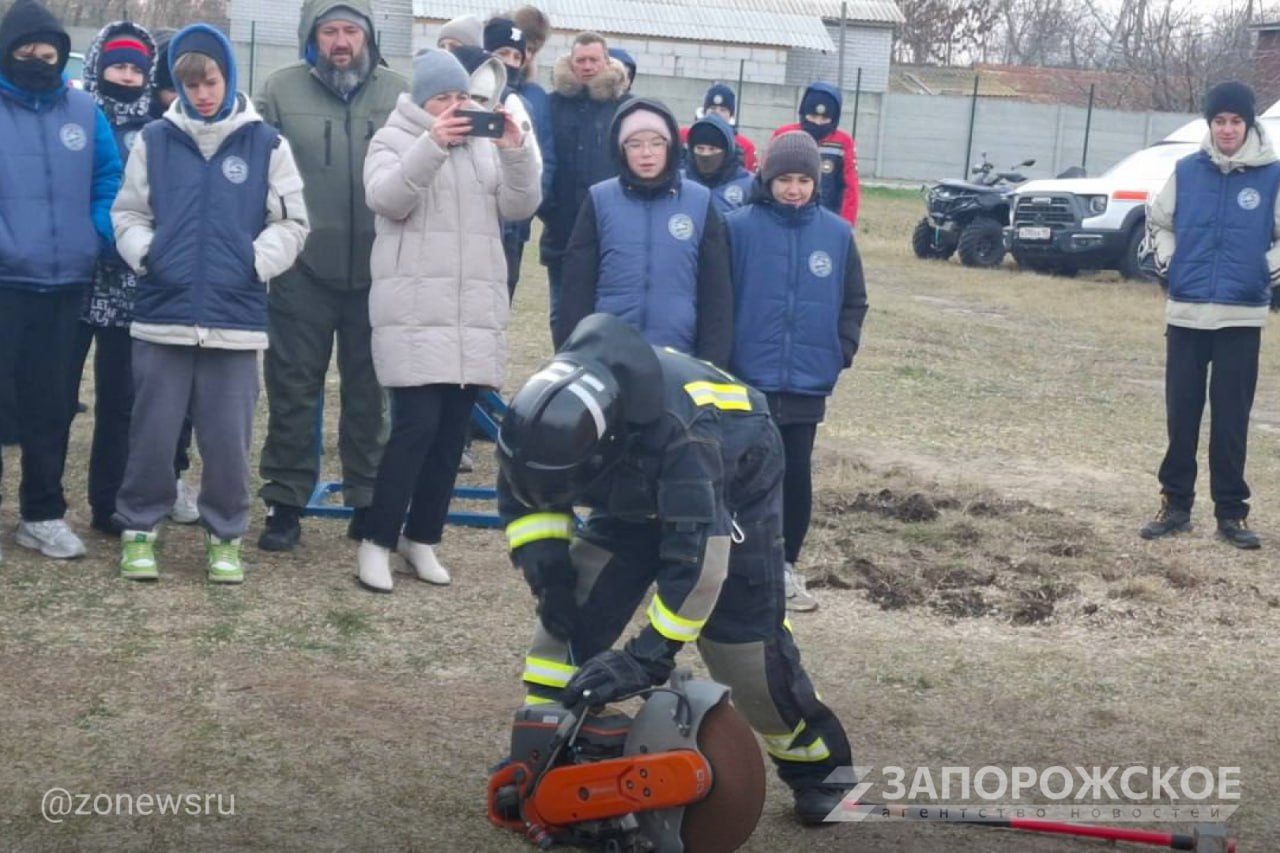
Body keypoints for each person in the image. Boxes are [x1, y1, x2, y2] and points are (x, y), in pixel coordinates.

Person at [496, 312, 856, 826]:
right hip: (636, 485)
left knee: (742, 651)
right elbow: (525, 494)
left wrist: (648, 657)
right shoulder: (541, 424)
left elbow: (700, 567)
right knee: (566, 617)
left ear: (605, 450)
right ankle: (543, 753)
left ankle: (822, 774)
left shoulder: (688, 439)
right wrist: (546, 570)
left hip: (734, 473)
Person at [111, 24, 310, 583]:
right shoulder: (153, 139)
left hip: (235, 321)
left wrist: (252, 264)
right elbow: (126, 214)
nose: (201, 93)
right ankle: (139, 528)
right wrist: (149, 255)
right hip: (162, 316)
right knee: (152, 434)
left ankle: (224, 534)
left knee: (227, 439)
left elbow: (293, 224)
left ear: (228, 76)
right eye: (189, 83)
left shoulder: (267, 143)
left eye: (211, 80)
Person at [357, 48, 540, 592]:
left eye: (462, 97)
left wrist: (516, 149)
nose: (457, 107)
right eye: (445, 98)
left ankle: (423, 538)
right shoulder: (393, 139)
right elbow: (386, 199)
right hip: (415, 313)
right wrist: (433, 144)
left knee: (450, 436)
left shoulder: (485, 148)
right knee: (413, 431)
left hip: (471, 315)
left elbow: (520, 206)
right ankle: (376, 541)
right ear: (422, 101)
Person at [254, 0, 408, 552]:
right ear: (310, 36)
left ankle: (367, 500)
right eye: (329, 31)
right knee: (293, 387)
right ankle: (285, 501)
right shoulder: (278, 89)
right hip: (302, 269)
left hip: (379, 270)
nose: (340, 42)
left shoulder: (400, 94)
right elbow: (255, 175)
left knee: (371, 394)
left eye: (350, 31)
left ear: (367, 36)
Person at [0, 0, 122, 561]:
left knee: (51, 407)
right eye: (25, 51)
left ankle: (42, 514)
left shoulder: (83, 108)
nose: (37, 60)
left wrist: (93, 234)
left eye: (47, 52)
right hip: (5, 282)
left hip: (66, 282)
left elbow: (109, 176)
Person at [725, 131, 868, 610]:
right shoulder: (737, 228)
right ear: (767, 178)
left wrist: (839, 350)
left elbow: (854, 301)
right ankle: (730, 567)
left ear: (816, 181)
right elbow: (718, 299)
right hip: (747, 381)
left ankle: (784, 567)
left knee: (794, 476)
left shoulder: (836, 234)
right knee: (737, 475)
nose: (793, 189)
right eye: (784, 178)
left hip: (807, 382)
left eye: (803, 179)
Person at [1141, 81, 1280, 550]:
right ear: (1209, 123)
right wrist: (1171, 262)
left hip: (1241, 316)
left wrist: (1265, 268)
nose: (1227, 129)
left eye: (1235, 120)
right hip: (1186, 312)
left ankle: (1232, 512)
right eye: (1219, 120)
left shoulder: (1272, 176)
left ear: (1248, 124)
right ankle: (1175, 504)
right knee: (1182, 414)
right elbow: (1159, 222)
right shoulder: (1186, 171)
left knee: (1231, 418)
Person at [557, 99, 732, 367]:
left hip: (680, 357)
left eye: (656, 143)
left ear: (670, 145)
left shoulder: (699, 202)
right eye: (635, 144)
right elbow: (576, 286)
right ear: (621, 149)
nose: (646, 153)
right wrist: (573, 351)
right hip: (608, 355)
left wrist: (711, 361)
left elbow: (716, 290)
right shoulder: (600, 199)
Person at [69, 20, 156, 537]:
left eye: (134, 68)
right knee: (57, 395)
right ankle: (45, 502)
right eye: (117, 66)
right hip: (77, 276)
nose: (125, 76)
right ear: (100, 66)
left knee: (120, 402)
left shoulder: (158, 127)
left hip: (132, 283)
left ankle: (109, 504)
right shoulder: (77, 116)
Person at [540, 32, 631, 342]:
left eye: (594, 59)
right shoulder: (552, 106)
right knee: (561, 312)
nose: (588, 66)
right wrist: (547, 206)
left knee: (605, 313)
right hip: (561, 229)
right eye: (581, 60)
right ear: (571, 62)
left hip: (611, 231)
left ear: (607, 61)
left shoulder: (624, 108)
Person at [484, 15, 554, 300]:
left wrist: (528, 201)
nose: (511, 62)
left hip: (514, 228)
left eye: (517, 55)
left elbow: (545, 158)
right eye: (503, 53)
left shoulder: (534, 98)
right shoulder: (467, 94)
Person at [773, 82, 858, 227]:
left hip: (827, 218)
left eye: (824, 119)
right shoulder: (784, 135)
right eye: (813, 116)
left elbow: (851, 188)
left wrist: (845, 225)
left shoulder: (843, 143)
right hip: (782, 216)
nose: (818, 123)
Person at [678, 81, 757, 172]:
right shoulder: (684, 136)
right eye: (712, 108)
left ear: (730, 115)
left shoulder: (745, 146)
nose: (717, 113)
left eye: (723, 110)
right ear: (704, 111)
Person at [684, 112, 753, 215]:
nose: (706, 154)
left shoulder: (749, 185)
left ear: (727, 151)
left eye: (713, 149)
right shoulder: (679, 182)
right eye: (700, 149)